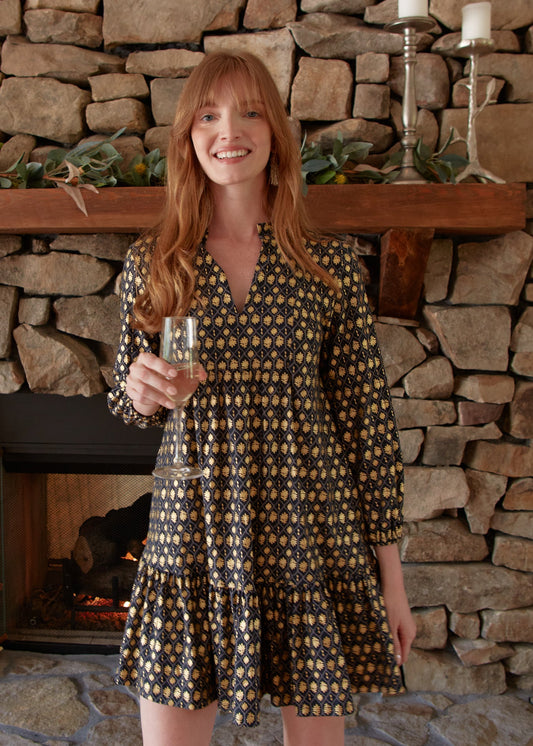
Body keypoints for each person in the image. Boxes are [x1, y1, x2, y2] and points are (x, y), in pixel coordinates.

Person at [108, 51, 416, 746]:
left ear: (274, 131)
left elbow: (368, 427)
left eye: (250, 111)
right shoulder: (154, 265)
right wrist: (139, 389)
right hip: (193, 528)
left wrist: (391, 581)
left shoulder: (327, 265)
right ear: (189, 136)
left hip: (310, 528)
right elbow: (130, 407)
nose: (230, 130)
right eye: (210, 115)